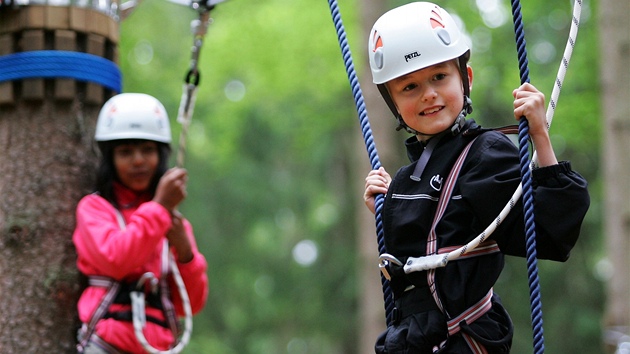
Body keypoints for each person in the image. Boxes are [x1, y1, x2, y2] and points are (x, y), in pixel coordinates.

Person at [362, 3, 589, 353]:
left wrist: (540, 137)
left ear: (465, 79)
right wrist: (388, 203)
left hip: (463, 339)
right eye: (409, 87)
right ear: (393, 102)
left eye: (439, 77)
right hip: (412, 339)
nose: (428, 94)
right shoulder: (409, 178)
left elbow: (551, 232)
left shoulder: (484, 156)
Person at [73, 93, 208, 353]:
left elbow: (192, 304)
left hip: (157, 346)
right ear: (110, 160)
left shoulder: (174, 224)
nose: (138, 160)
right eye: (125, 152)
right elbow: (116, 259)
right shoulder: (96, 209)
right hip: (106, 344)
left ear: (160, 155)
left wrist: (186, 253)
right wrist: (159, 207)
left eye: (147, 150)